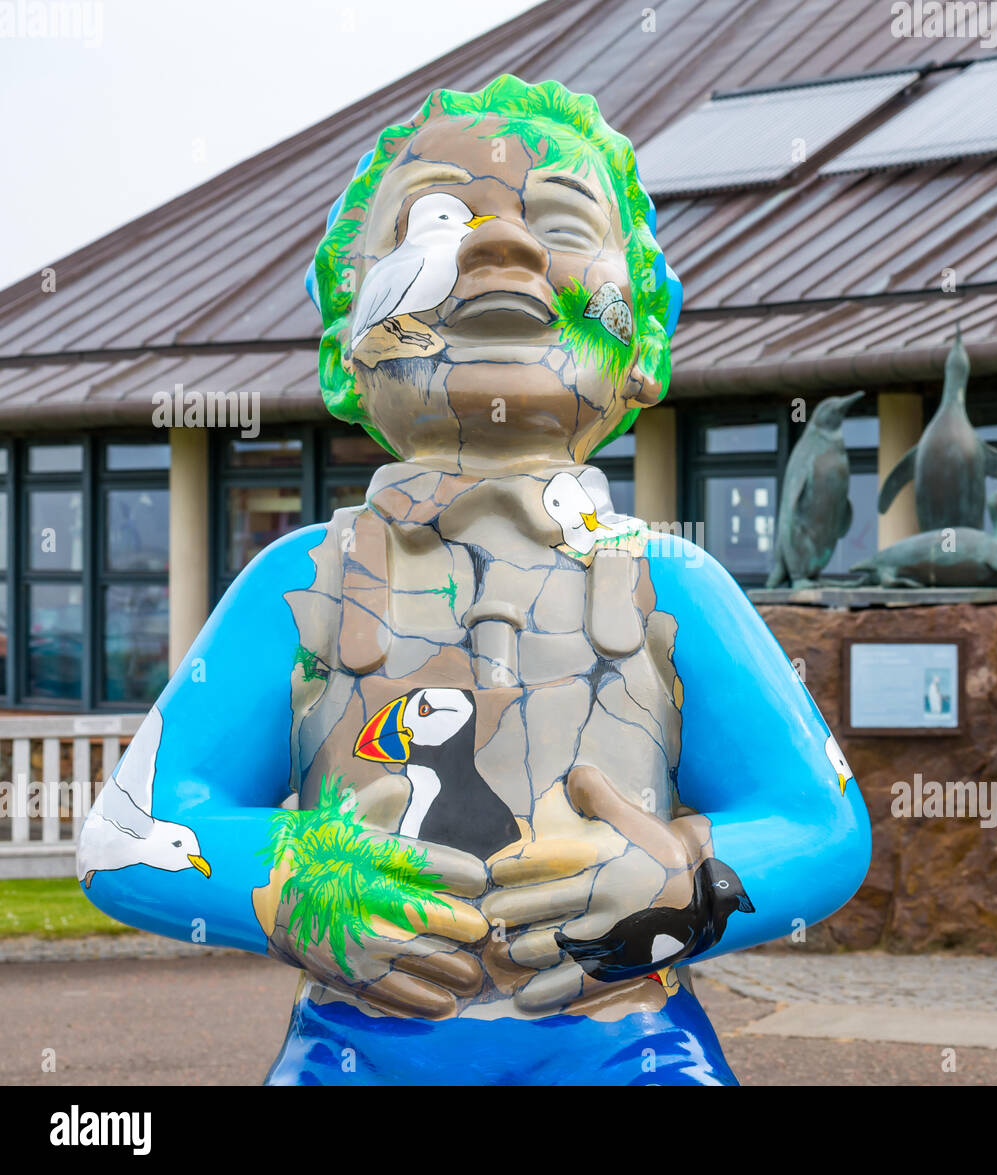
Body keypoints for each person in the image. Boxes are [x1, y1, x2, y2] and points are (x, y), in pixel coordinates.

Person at [78, 75, 871, 1085]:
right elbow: (127, 829)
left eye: (560, 219)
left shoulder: (673, 586)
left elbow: (820, 819)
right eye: (434, 220)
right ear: (339, 349)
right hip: (358, 1051)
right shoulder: (304, 585)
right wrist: (300, 880)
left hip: (628, 1044)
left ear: (649, 345)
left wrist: (681, 881)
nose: (503, 247)